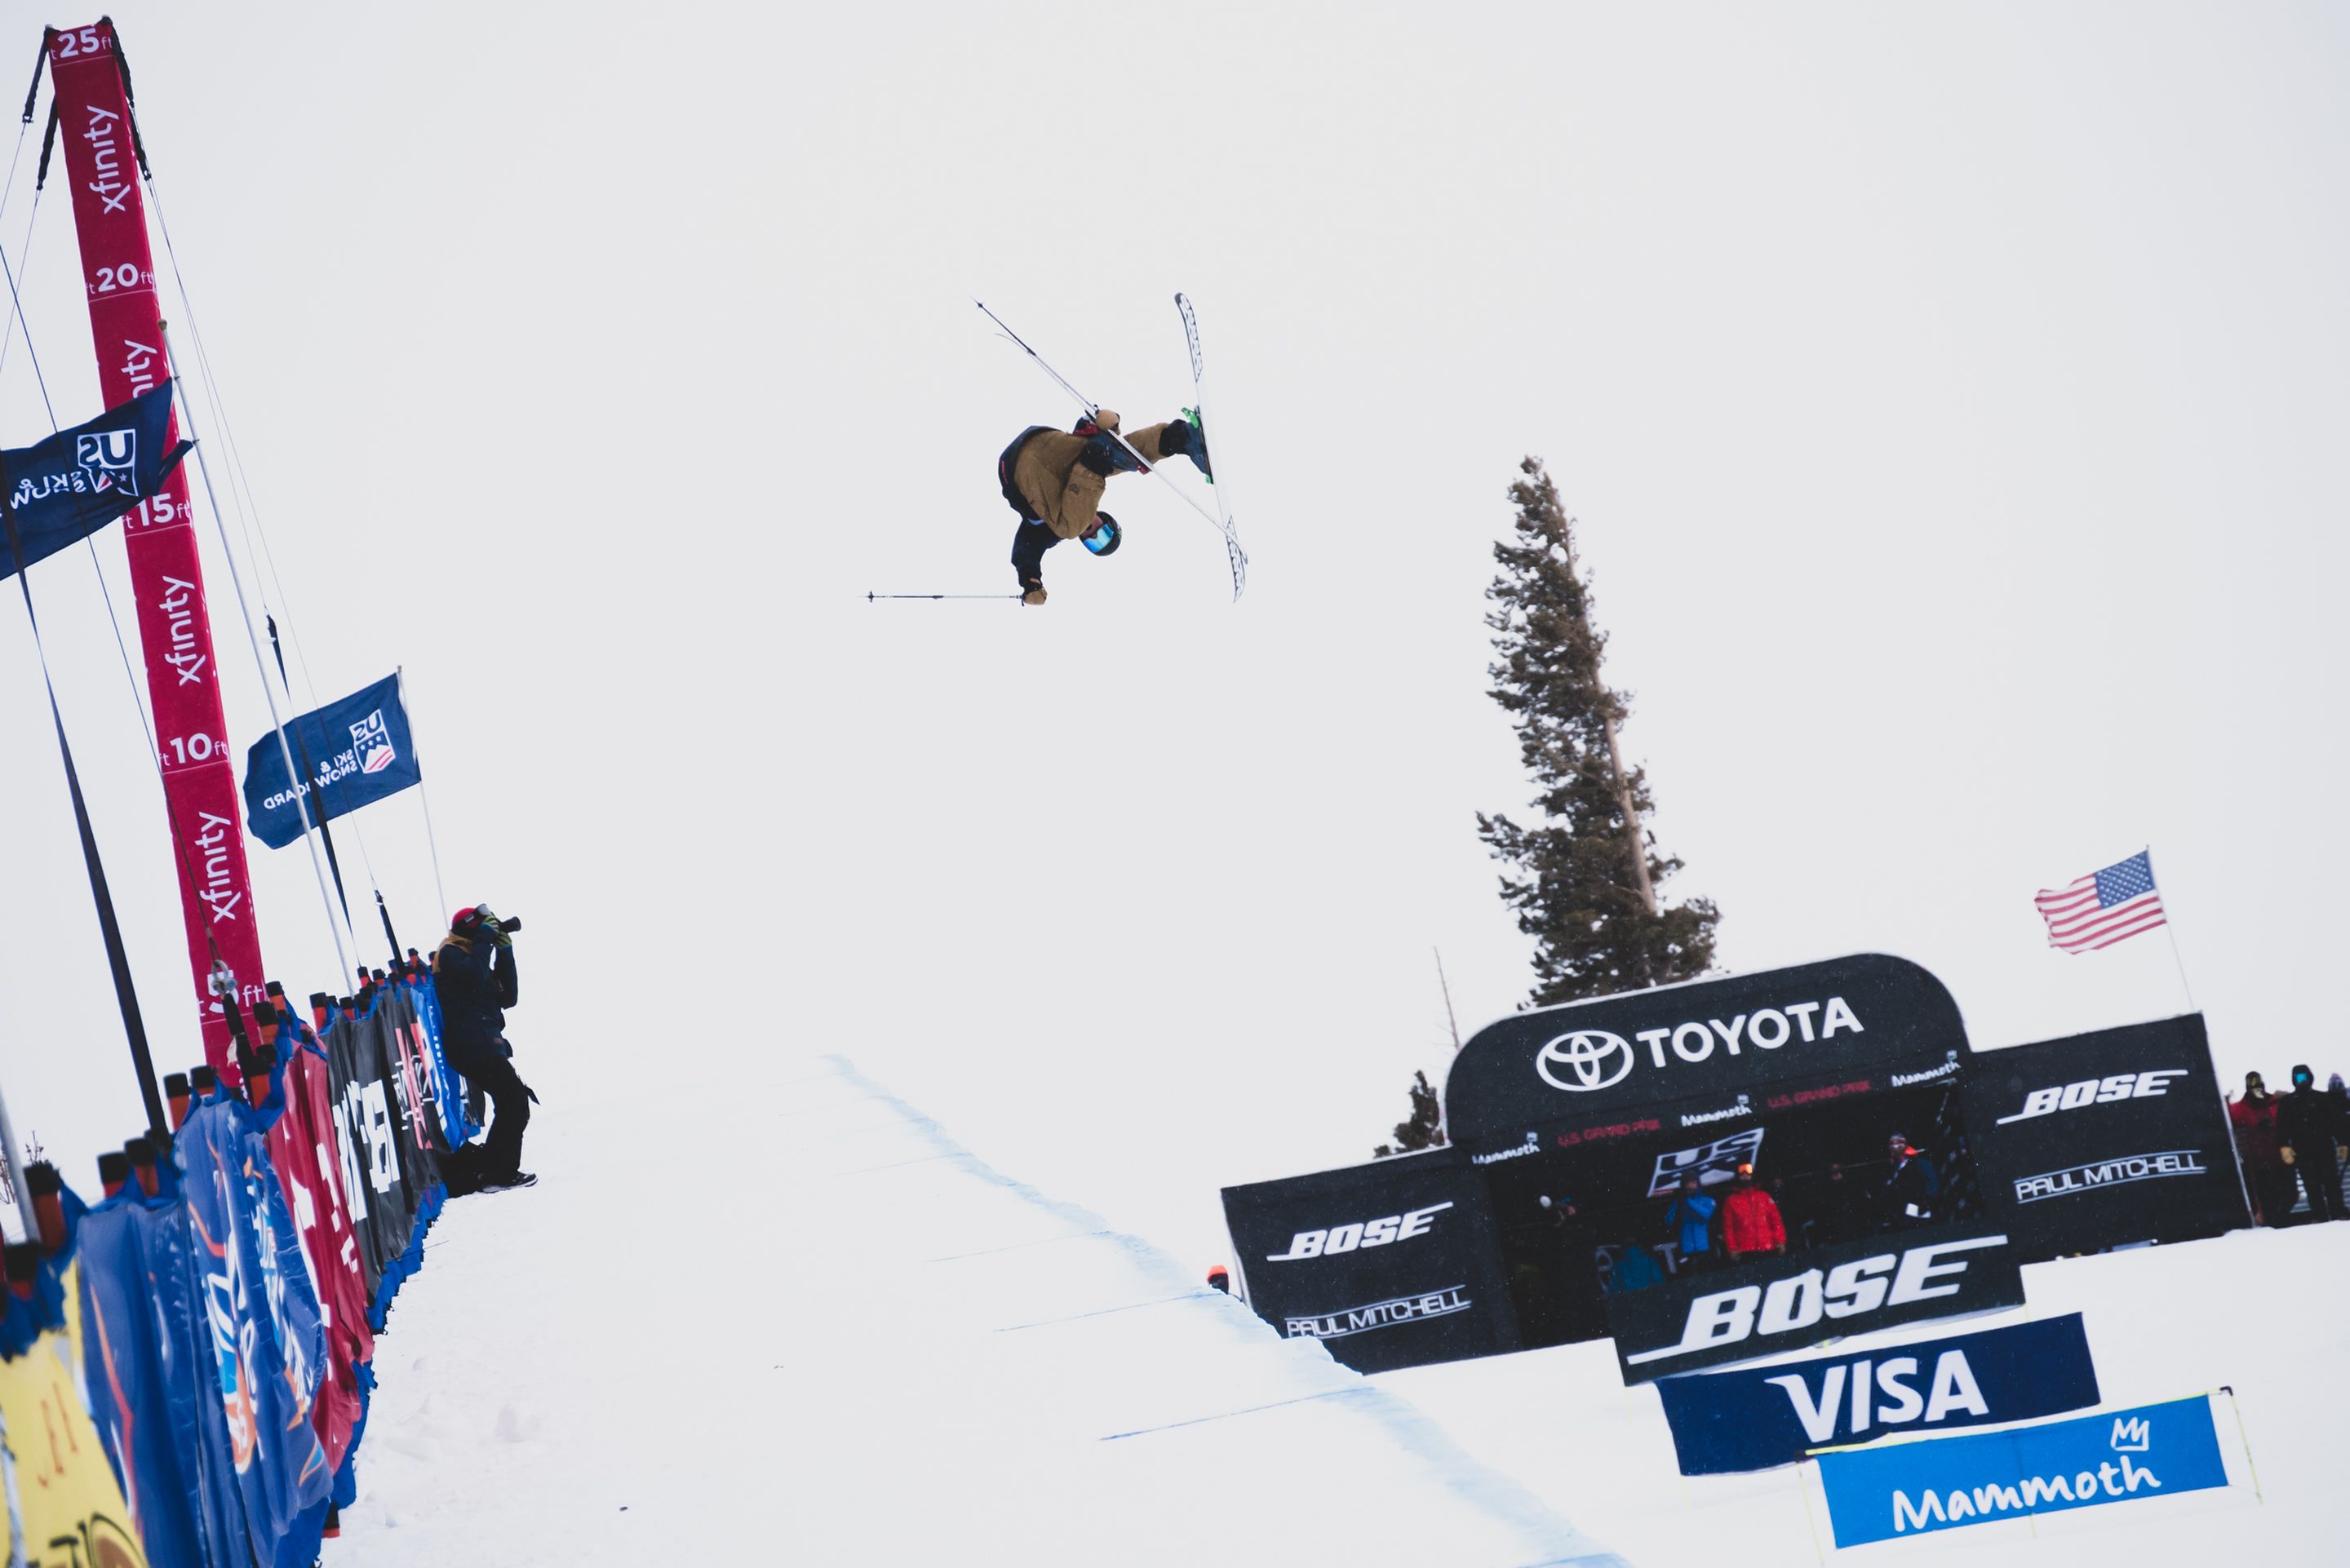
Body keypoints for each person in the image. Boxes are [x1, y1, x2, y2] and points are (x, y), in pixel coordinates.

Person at [997, 410, 1209, 604]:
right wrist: (1107, 423)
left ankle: (1106, 447)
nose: (1093, 535)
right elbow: (1080, 443)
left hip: (1018, 473)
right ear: (1103, 517)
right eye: (1104, 532)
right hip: (1047, 447)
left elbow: (1025, 550)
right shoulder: (1080, 497)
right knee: (1106, 458)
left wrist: (1030, 582)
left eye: (1094, 543)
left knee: (1073, 517)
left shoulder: (1050, 529)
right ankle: (1182, 437)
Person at [436, 904, 535, 1194]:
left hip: (485, 1042)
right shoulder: (450, 954)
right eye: (484, 928)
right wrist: (485, 941)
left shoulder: (472, 955)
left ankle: (492, 1170)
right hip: (471, 1044)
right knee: (514, 1101)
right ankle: (497, 1173)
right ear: (471, 929)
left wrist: (505, 952)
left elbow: (508, 997)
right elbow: (474, 976)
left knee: (511, 1102)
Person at [2277, 1063, 2348, 1223]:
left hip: (2325, 1149)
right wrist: (2284, 1146)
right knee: (2312, 1186)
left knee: (2332, 1184)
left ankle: (2338, 1212)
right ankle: (2320, 1216)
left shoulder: (2322, 1098)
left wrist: (2342, 1142)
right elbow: (2282, 1128)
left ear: (2310, 1077)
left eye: (2305, 1077)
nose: (2302, 1081)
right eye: (2298, 1078)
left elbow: (2336, 1122)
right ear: (2293, 1080)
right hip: (2303, 1153)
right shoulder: (2287, 1103)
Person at [2228, 1072, 2295, 1226]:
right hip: (2260, 1162)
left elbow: (2290, 1111)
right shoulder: (2243, 1107)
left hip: (2281, 1157)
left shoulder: (2274, 1102)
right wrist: (2225, 1099)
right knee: (2267, 1198)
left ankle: (2280, 1219)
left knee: (2290, 1193)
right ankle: (2274, 1223)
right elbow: (2230, 1115)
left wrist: (2287, 1097)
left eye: (2258, 1086)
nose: (2256, 1090)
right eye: (2253, 1087)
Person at [1719, 1163, 1788, 1260]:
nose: (1745, 1176)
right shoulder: (1731, 1201)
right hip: (1744, 1251)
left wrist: (1780, 1241)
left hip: (1768, 1247)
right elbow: (1728, 1228)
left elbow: (1776, 1221)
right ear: (1737, 1177)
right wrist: (1732, 1248)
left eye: (1748, 1174)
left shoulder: (1764, 1196)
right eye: (1742, 1175)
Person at [1876, 1133, 1939, 1231]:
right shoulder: (1891, 1170)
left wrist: (1928, 1199)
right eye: (1892, 1147)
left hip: (1921, 1211)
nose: (1895, 1149)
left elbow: (1933, 1179)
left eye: (1899, 1146)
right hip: (1903, 1216)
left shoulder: (1919, 1163)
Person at [1663, 1173, 1718, 1273]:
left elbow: (1706, 1215)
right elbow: (1669, 1221)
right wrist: (1677, 1203)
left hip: (1705, 1248)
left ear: (1698, 1184)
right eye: (1688, 1184)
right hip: (1686, 1250)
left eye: (1694, 1183)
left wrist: (1688, 1201)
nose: (1691, 1186)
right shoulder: (1680, 1202)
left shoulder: (1707, 1200)